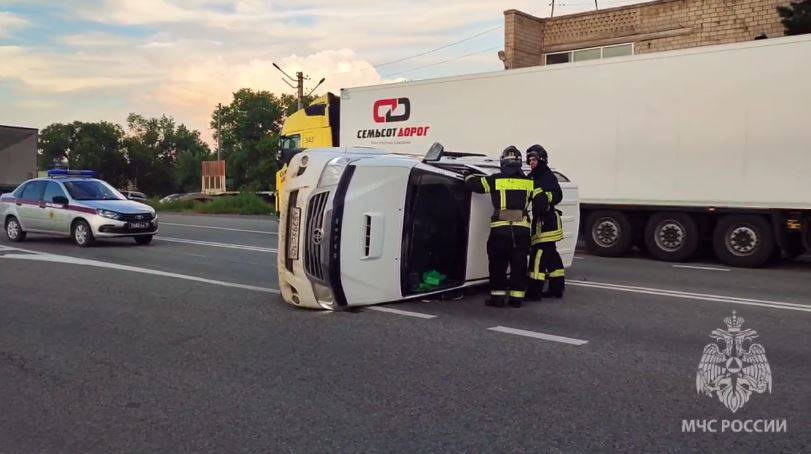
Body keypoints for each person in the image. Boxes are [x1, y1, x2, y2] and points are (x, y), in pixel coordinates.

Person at [465, 146, 546, 308]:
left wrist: (468, 175)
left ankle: (498, 298)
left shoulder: (495, 180)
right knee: (519, 264)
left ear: (503, 162)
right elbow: (542, 202)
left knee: (497, 264)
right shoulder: (531, 183)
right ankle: (516, 298)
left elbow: (473, 184)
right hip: (522, 231)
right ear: (519, 163)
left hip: (499, 231)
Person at [526, 144, 565, 300]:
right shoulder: (533, 176)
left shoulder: (547, 176)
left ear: (541, 160)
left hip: (547, 222)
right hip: (542, 221)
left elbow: (558, 195)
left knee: (538, 256)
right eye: (529, 159)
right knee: (552, 256)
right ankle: (557, 288)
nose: (531, 162)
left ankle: (534, 292)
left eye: (534, 159)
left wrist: (545, 197)